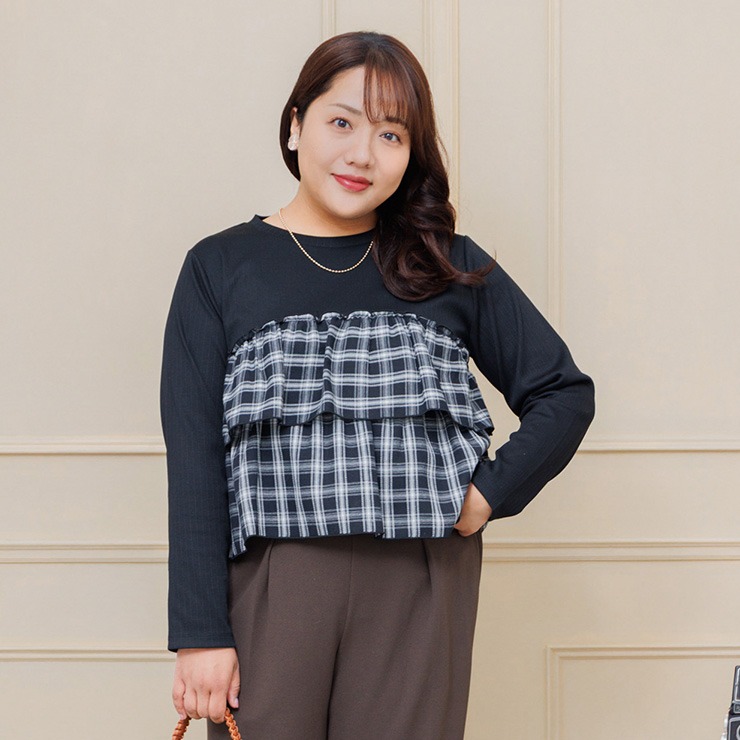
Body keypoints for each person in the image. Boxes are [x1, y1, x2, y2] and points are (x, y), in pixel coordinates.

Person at [159, 30, 595, 740]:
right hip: (272, 577)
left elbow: (563, 392)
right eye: (342, 123)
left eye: (391, 134)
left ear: (411, 154)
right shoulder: (220, 268)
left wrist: (485, 496)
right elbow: (195, 459)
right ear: (295, 125)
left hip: (419, 579)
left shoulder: (444, 264)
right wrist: (200, 633)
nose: (363, 154)